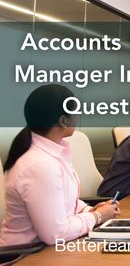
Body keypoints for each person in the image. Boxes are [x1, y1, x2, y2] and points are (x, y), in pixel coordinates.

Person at [0, 85, 120, 246]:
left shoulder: (53, 153)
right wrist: (97, 217)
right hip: (26, 256)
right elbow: (55, 234)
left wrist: (89, 210)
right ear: (63, 120)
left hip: (46, 249)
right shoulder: (40, 165)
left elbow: (64, 202)